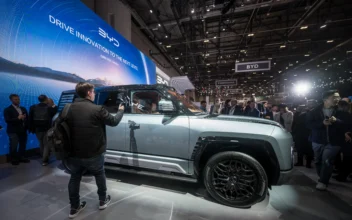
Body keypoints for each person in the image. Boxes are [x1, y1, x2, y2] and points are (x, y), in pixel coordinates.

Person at [65, 82, 124, 218]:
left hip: (73, 153)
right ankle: (102, 201)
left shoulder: (68, 108)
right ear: (89, 93)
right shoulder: (97, 109)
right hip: (94, 152)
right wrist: (121, 110)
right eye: (93, 91)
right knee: (99, 174)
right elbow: (114, 121)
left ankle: (74, 208)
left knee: (74, 178)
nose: (95, 94)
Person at [306, 90, 345, 191]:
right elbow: (309, 125)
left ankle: (323, 181)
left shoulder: (341, 111)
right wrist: (322, 124)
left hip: (334, 142)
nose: (337, 99)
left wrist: (337, 121)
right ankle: (322, 177)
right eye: (334, 97)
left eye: (338, 97)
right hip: (317, 140)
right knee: (318, 160)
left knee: (327, 160)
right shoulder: (314, 111)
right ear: (325, 99)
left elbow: (347, 124)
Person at [28, 95, 58, 166]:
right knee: (46, 144)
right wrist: (53, 105)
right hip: (47, 129)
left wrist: (31, 129)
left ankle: (43, 157)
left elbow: (30, 119)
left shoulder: (32, 107)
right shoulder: (50, 108)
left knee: (41, 143)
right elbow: (56, 112)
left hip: (37, 129)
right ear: (46, 99)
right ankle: (45, 160)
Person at [3, 94, 30, 165]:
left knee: (22, 144)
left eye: (18, 99)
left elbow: (27, 118)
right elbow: (7, 120)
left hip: (23, 130)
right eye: (15, 99)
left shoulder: (23, 108)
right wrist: (18, 118)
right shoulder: (7, 110)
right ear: (11, 100)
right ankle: (14, 159)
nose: (17, 100)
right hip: (13, 131)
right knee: (13, 146)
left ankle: (22, 157)